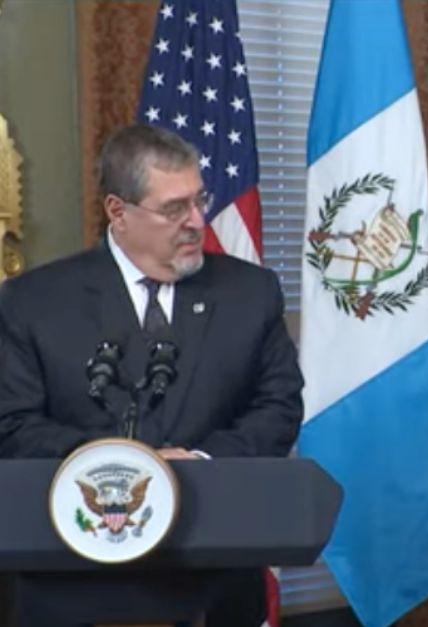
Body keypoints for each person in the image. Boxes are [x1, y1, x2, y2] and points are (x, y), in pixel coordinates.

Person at [0, 124, 303, 626]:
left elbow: (279, 407)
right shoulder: (34, 302)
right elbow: (14, 425)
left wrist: (198, 463)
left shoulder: (251, 294)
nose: (197, 221)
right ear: (117, 212)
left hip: (215, 581)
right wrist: (125, 467)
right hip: (73, 582)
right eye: (173, 208)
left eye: (199, 200)